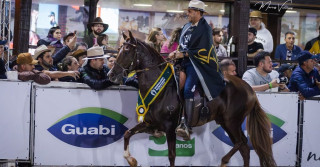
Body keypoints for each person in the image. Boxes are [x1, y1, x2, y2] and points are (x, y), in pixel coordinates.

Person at [169, 0, 225, 140]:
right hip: (183, 62)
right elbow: (183, 45)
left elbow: (204, 50)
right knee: (172, 85)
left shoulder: (205, 29)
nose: (187, 13)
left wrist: (184, 54)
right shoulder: (186, 26)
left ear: (198, 13)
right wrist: (176, 52)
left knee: (188, 89)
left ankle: (186, 125)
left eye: (190, 11)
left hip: (197, 64)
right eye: (188, 11)